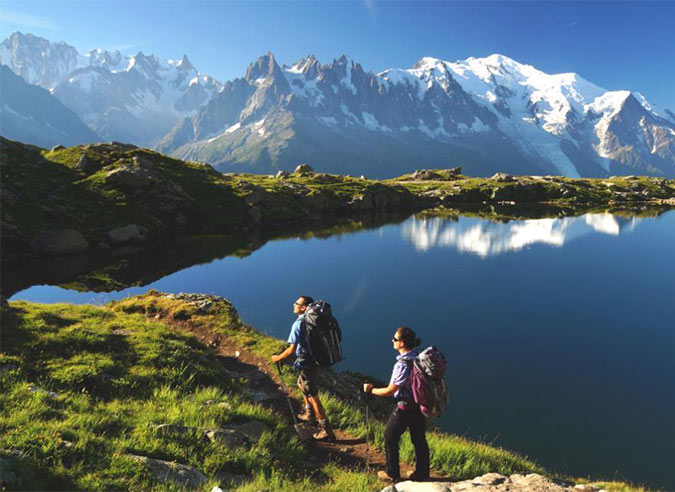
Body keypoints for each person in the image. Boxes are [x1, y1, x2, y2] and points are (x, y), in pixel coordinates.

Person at [363, 326, 430, 482]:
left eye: (395, 339)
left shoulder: (402, 364)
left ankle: (392, 473)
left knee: (389, 437)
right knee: (419, 439)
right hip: (419, 406)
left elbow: (391, 390)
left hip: (404, 407)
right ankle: (422, 473)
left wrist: (371, 390)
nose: (392, 341)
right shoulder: (418, 357)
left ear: (402, 343)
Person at [271, 295, 336, 441]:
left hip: (307, 362)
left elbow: (291, 350)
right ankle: (309, 414)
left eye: (296, 303)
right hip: (314, 360)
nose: (293, 305)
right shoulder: (312, 321)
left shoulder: (299, 324)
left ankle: (326, 429)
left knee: (313, 395)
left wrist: (278, 358)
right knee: (301, 384)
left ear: (304, 307)